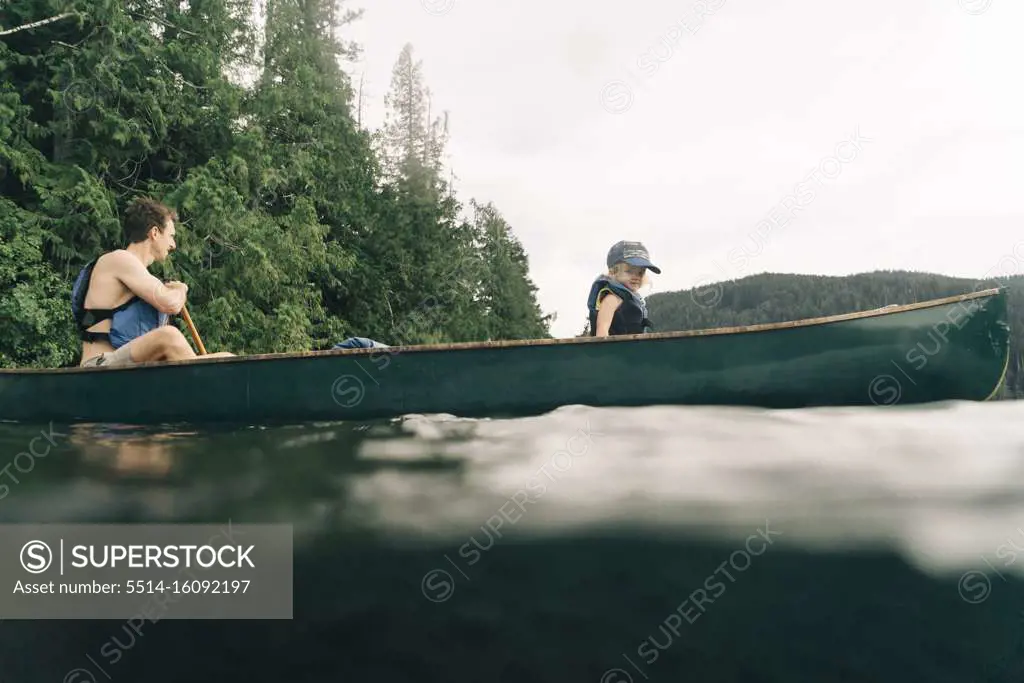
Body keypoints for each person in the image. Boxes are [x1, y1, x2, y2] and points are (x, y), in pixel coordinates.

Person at [72, 197, 235, 367]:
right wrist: (181, 289)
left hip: (131, 364)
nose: (173, 245)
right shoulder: (119, 259)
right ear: (155, 233)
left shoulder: (139, 274)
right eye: (171, 236)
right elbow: (170, 303)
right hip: (100, 364)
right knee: (169, 337)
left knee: (228, 358)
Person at [586, 240, 661, 337]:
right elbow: (602, 330)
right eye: (629, 271)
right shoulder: (612, 298)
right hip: (614, 350)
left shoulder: (634, 299)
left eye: (640, 272)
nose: (636, 277)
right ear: (613, 271)